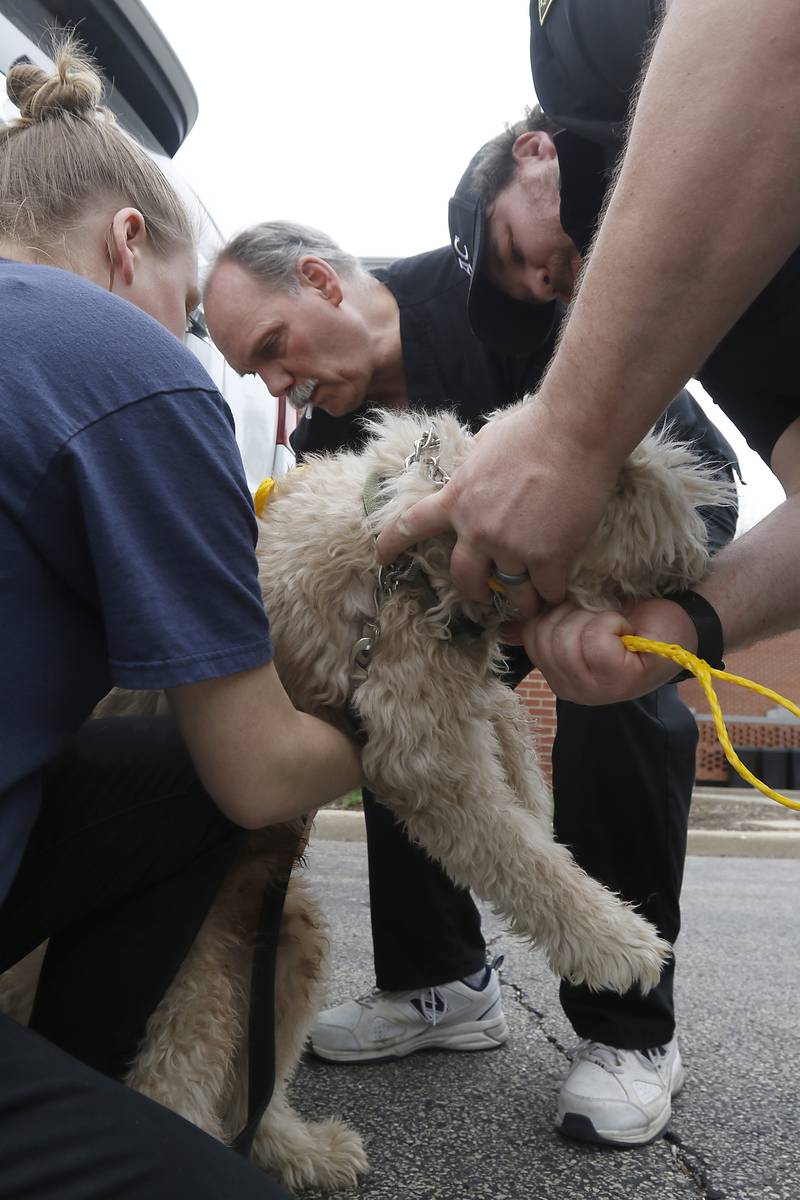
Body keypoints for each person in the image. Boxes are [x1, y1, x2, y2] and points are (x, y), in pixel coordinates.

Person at [203, 219, 737, 1147]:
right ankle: (440, 983)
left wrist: (641, 608)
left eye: (273, 351)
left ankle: (630, 1030)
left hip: (592, 582)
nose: (278, 390)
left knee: (619, 698)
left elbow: (703, 480)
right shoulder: (331, 425)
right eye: (257, 377)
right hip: (457, 616)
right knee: (377, 699)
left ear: (323, 281)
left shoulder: (508, 304)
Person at [0, 41, 363, 1200]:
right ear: (127, 242)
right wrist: (404, 728)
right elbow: (258, 775)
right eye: (194, 317)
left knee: (166, 770)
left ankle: (74, 1078)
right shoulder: (124, 365)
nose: (190, 347)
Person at [375, 0, 800, 708]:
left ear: (535, 151)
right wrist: (690, 621)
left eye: (515, 251)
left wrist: (569, 431)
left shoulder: (571, 55)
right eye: (530, 294)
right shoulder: (720, 339)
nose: (544, 283)